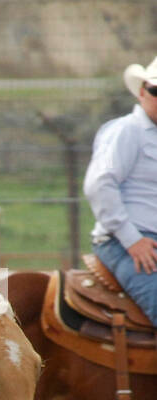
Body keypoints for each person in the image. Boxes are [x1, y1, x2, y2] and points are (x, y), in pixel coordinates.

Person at [84, 54, 157, 324]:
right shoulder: (128, 130)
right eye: (155, 90)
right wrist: (132, 240)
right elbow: (99, 184)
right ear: (141, 91)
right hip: (126, 243)